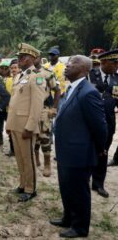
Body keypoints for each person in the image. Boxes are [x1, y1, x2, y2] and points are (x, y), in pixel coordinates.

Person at [51, 55, 107, 238]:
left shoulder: (89, 92)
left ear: (85, 70)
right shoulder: (72, 88)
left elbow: (99, 127)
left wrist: (100, 149)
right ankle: (68, 217)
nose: (67, 65)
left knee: (79, 191)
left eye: (73, 63)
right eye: (68, 62)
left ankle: (80, 227)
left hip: (79, 153)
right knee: (66, 187)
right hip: (66, 151)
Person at [6, 43, 46, 202]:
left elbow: (37, 105)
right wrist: (9, 125)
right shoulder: (19, 76)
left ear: (33, 58)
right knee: (20, 158)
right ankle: (22, 184)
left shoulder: (37, 76)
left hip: (26, 126)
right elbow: (13, 102)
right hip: (15, 124)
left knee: (28, 158)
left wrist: (30, 127)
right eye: (19, 57)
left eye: (23, 57)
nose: (20, 59)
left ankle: (31, 189)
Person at [88, 49, 118, 197]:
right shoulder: (90, 74)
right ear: (104, 62)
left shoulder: (117, 78)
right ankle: (85, 179)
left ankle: (98, 183)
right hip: (91, 121)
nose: (117, 66)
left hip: (109, 122)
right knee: (88, 150)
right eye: (114, 63)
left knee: (103, 152)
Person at [34, 54, 61, 177]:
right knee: (32, 135)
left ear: (40, 58)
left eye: (35, 57)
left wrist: (54, 108)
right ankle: (35, 158)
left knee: (44, 136)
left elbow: (57, 90)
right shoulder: (25, 73)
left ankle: (47, 164)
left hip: (44, 109)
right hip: (29, 110)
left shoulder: (47, 73)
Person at [0, 60, 11, 146]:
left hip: (10, 105)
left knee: (10, 123)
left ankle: (11, 141)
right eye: (2, 68)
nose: (4, 70)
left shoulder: (13, 77)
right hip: (0, 104)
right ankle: (0, 136)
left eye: (6, 68)